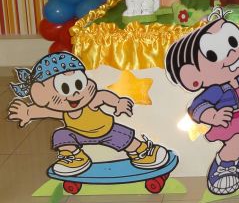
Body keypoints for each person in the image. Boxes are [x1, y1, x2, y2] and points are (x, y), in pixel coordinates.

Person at [165, 8, 239, 195]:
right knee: (237, 141)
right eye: (214, 54)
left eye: (233, 41)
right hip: (230, 120)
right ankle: (223, 167)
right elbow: (197, 107)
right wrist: (213, 116)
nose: (231, 53)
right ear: (193, 77)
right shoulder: (215, 90)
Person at [8, 52, 169, 176]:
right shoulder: (63, 111)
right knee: (61, 135)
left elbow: (103, 96)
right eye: (65, 88)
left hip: (107, 131)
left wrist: (118, 103)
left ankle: (141, 151)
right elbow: (43, 110)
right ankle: (74, 157)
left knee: (125, 137)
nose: (75, 93)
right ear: (41, 95)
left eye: (79, 84)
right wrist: (27, 112)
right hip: (78, 135)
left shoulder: (90, 102)